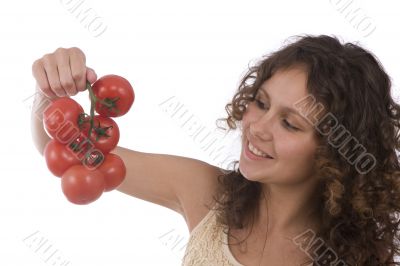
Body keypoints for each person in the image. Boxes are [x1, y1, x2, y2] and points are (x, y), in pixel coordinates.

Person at [30, 35, 400, 265]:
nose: (257, 127)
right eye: (260, 102)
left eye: (290, 123)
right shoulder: (208, 195)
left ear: (336, 155)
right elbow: (66, 151)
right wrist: (51, 92)